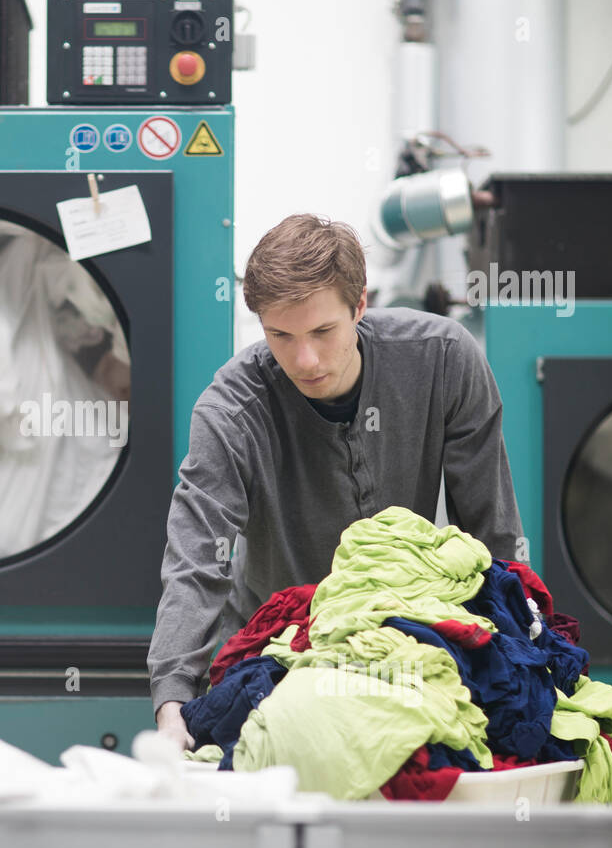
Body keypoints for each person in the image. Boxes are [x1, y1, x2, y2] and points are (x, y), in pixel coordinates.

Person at [149, 213, 524, 749]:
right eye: (280, 335)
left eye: (323, 331)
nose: (305, 359)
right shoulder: (232, 410)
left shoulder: (442, 360)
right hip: (277, 652)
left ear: (360, 306)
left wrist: (521, 652)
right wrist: (172, 700)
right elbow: (195, 557)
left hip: (408, 645)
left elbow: (493, 535)